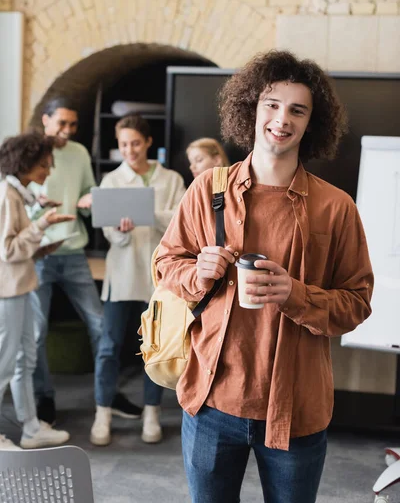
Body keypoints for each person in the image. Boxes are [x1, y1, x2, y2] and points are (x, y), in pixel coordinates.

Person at [155, 50, 374, 503]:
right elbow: (165, 264)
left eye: (298, 109)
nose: (282, 119)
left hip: (297, 409)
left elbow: (357, 301)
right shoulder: (208, 189)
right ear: (251, 108)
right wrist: (198, 272)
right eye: (272, 104)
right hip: (212, 401)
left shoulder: (336, 208)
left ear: (312, 123)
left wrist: (296, 294)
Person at [28, 98, 142, 430]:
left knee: (100, 328)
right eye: (61, 123)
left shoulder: (78, 153)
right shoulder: (30, 153)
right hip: (39, 255)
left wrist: (92, 202)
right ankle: (44, 397)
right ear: (45, 121)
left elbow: (90, 195)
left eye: (73, 125)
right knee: (36, 334)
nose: (67, 130)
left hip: (74, 253)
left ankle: (106, 395)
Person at [91, 113, 186, 446]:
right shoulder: (111, 181)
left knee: (155, 348)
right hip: (122, 274)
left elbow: (181, 221)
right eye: (123, 145)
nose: (129, 150)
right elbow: (107, 230)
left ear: (147, 142)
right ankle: (102, 413)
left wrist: (147, 213)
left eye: (134, 143)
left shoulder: (171, 179)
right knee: (109, 347)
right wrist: (120, 231)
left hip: (160, 278)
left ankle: (152, 413)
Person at [0, 131, 75, 450]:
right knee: (5, 362)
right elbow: (9, 250)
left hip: (21, 285)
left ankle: (30, 427)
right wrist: (42, 226)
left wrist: (43, 244)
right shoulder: (6, 194)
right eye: (44, 164)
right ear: (25, 163)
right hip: (8, 291)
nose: (48, 170)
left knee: (25, 359)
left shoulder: (19, 195)